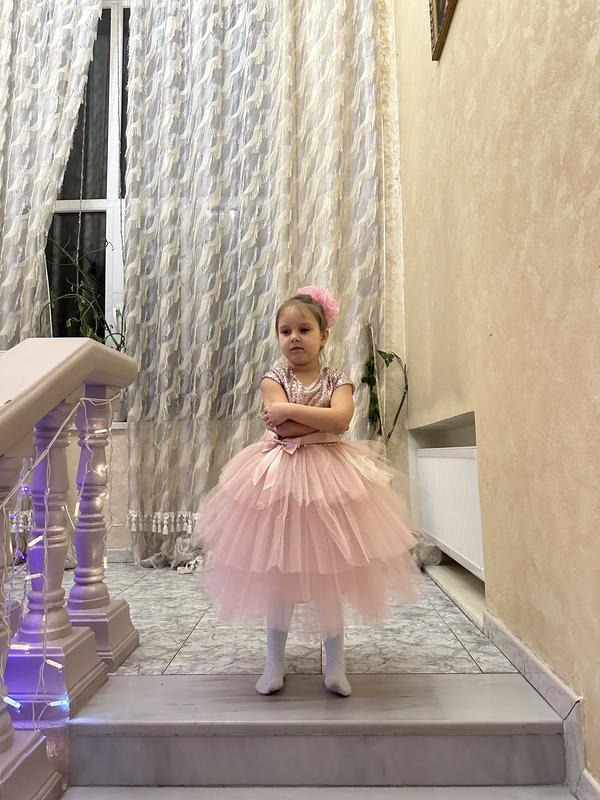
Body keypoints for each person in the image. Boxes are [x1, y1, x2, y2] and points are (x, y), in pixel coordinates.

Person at [192, 286, 422, 697]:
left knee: (327, 573)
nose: (294, 338)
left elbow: (341, 421)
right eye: (285, 331)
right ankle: (274, 662)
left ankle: (335, 665)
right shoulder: (273, 378)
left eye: (304, 329)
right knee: (278, 573)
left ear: (323, 335)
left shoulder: (338, 379)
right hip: (279, 481)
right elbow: (282, 427)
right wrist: (312, 419)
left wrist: (291, 412)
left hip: (331, 480)